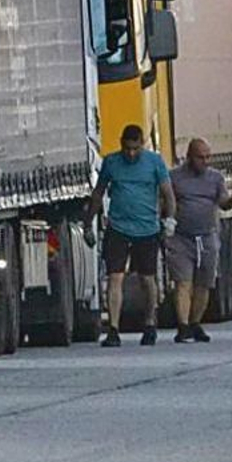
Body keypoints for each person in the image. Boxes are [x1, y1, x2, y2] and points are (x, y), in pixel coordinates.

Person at [86, 124, 175, 347]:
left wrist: (169, 220)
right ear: (121, 144)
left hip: (147, 229)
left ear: (142, 144)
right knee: (115, 277)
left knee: (147, 278)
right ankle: (114, 328)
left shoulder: (154, 162)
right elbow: (98, 193)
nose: (131, 153)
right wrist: (88, 222)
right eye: (127, 149)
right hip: (118, 227)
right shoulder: (111, 162)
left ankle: (150, 322)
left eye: (135, 149)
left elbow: (168, 194)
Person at [167, 137, 232, 343]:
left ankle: (195, 322)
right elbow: (166, 201)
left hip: (206, 236)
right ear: (189, 157)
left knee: (204, 283)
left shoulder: (215, 178)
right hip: (181, 238)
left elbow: (223, 204)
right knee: (183, 282)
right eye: (200, 157)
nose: (205, 161)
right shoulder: (174, 177)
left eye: (207, 157)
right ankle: (183, 325)